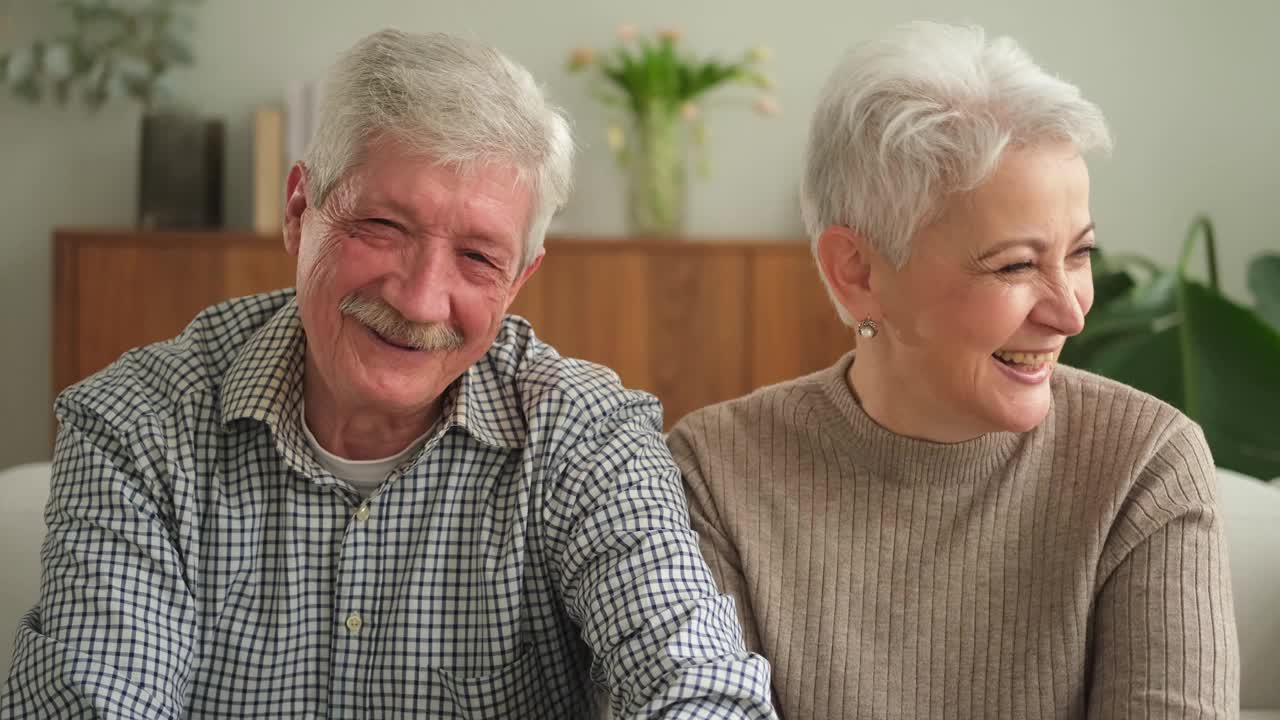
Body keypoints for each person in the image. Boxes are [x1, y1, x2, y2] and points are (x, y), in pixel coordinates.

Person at [1, 29, 775, 719]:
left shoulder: (586, 436)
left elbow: (701, 688)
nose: (418, 297)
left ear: (520, 279)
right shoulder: (137, 425)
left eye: (477, 257)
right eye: (382, 227)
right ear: (300, 210)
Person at [668, 21, 1238, 719]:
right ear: (858, 272)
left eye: (1080, 253)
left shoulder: (1144, 464)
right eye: (1017, 265)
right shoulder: (716, 474)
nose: (1071, 312)